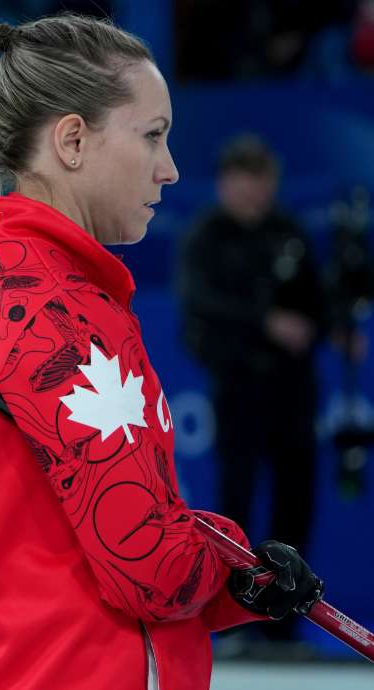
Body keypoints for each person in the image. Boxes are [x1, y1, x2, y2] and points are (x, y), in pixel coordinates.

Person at [0, 14, 324, 690]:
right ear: (72, 140)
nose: (170, 169)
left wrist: (238, 585)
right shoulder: (56, 313)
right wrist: (234, 559)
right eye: (153, 137)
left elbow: (67, 534)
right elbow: (151, 572)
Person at [176, 134, 327, 650]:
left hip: (292, 393)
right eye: (243, 179)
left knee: (295, 503)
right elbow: (200, 303)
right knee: (235, 509)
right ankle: (232, 621)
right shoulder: (205, 238)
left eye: (261, 180)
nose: (253, 191)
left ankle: (285, 629)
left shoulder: (290, 232)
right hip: (238, 390)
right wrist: (266, 323)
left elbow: (317, 300)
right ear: (225, 183)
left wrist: (331, 328)